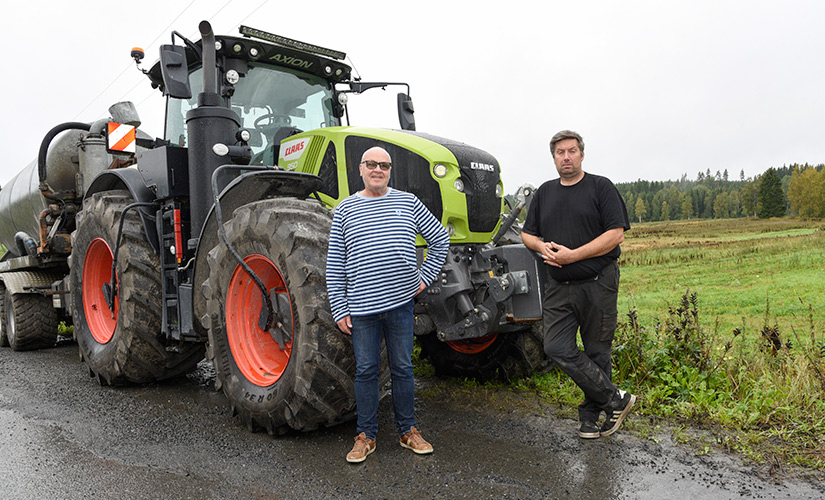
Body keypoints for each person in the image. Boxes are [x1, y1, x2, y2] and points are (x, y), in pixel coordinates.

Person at [326, 146, 449, 463]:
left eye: (384, 165)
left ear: (390, 171)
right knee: (366, 371)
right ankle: (366, 435)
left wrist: (425, 277)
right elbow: (336, 265)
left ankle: (408, 431)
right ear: (361, 169)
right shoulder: (345, 210)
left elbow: (440, 239)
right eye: (371, 164)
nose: (378, 169)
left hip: (399, 305)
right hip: (362, 308)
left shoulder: (408, 203)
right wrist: (340, 307)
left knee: (403, 368)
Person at [521, 130, 636, 439]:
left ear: (582, 154)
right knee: (556, 346)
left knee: (597, 351)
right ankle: (616, 399)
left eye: (572, 151)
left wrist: (574, 256)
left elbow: (616, 234)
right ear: (554, 157)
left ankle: (590, 417)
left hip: (598, 283)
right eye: (560, 152)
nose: (566, 157)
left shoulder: (601, 187)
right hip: (559, 286)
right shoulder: (545, 192)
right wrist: (540, 246)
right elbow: (527, 233)